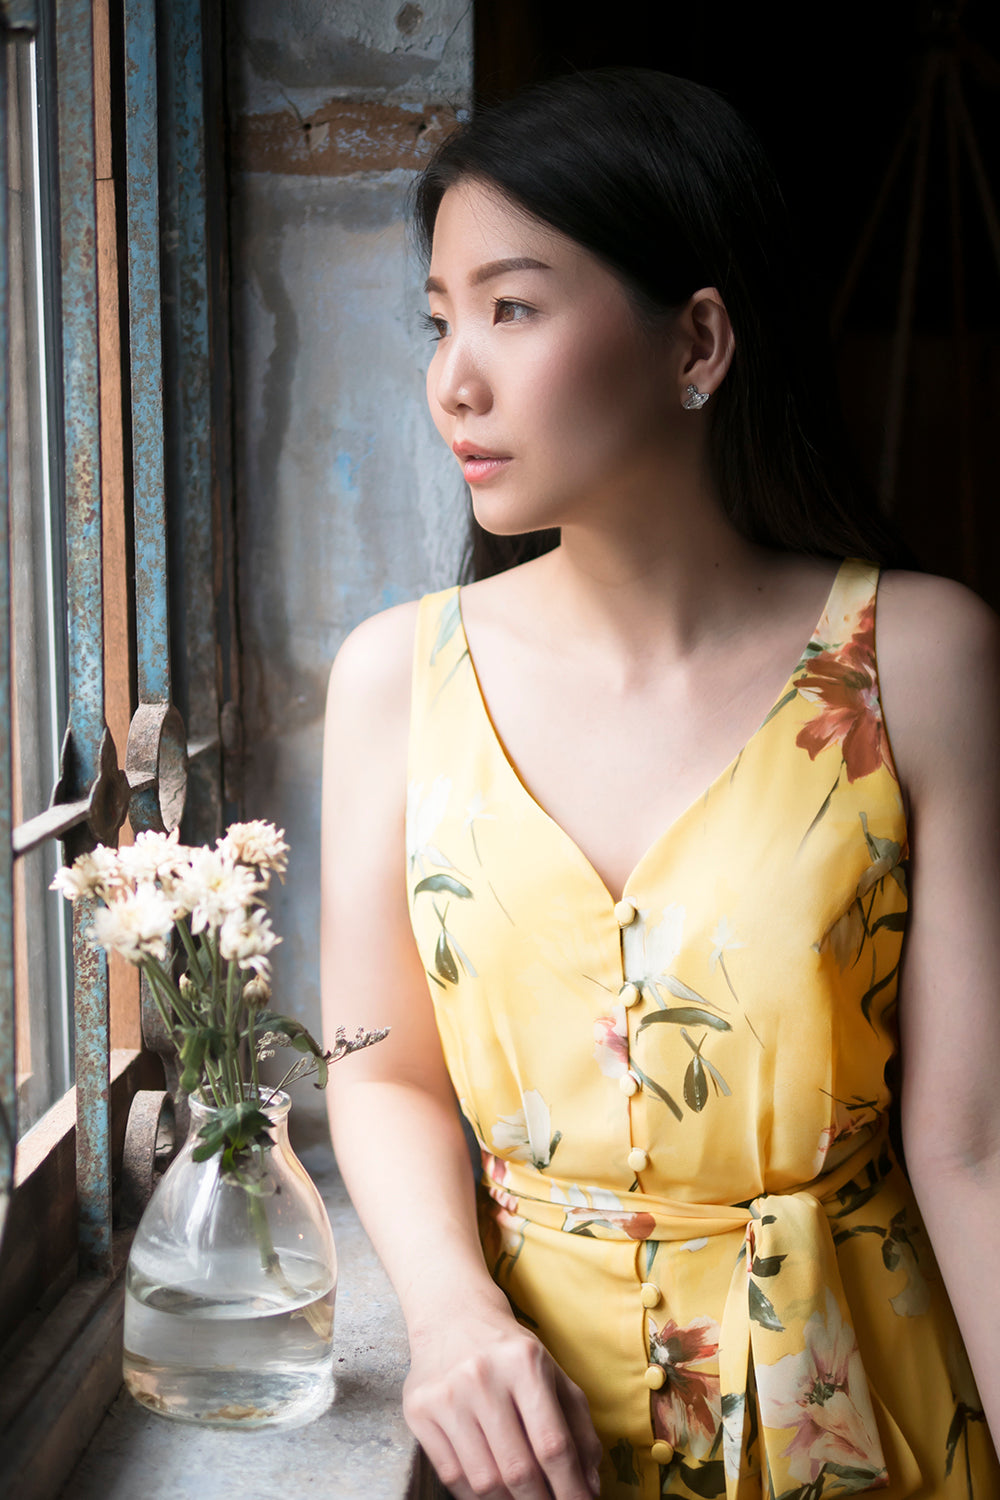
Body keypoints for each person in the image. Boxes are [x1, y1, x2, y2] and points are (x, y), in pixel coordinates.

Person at [320, 68, 1000, 1500]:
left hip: (864, 1419)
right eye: (440, 321)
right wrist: (450, 1315)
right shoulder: (398, 678)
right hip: (527, 1441)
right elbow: (381, 1072)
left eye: (513, 307)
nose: (456, 377)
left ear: (696, 336)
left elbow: (974, 1145)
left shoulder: (914, 659)